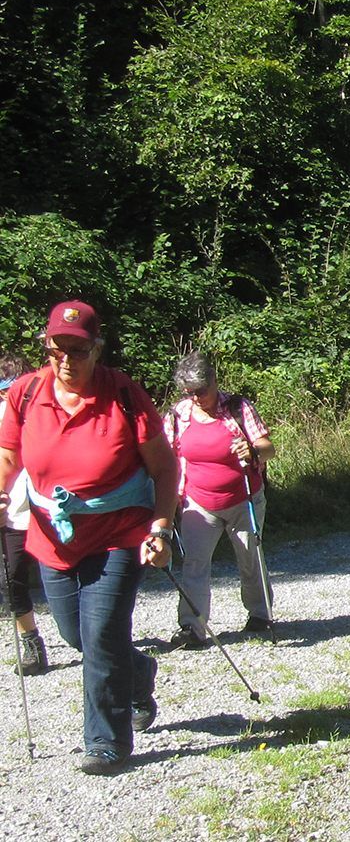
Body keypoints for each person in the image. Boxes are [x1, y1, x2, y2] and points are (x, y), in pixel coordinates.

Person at [0, 301, 177, 775]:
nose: (66, 360)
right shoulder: (26, 393)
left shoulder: (123, 394)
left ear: (97, 348)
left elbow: (164, 468)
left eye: (77, 350)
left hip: (119, 532)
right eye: (57, 349)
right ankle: (138, 673)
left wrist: (161, 526)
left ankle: (106, 742)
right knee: (73, 633)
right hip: (51, 537)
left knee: (101, 633)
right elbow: (9, 456)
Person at [164, 352, 277, 648]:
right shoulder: (178, 415)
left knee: (250, 557)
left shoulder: (238, 408)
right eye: (190, 392)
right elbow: (167, 458)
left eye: (201, 390)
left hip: (244, 498)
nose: (197, 397)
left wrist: (252, 451)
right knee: (195, 564)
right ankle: (192, 627)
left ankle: (260, 615)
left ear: (214, 381)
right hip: (198, 502)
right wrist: (169, 495)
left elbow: (267, 447)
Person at [0, 354, 49, 675]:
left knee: (67, 577)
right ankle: (31, 640)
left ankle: (93, 636)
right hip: (12, 513)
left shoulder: (44, 411)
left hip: (50, 510)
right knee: (11, 579)